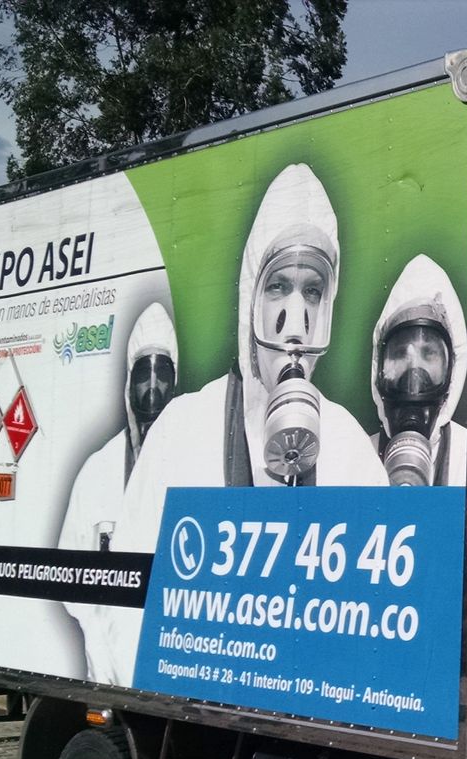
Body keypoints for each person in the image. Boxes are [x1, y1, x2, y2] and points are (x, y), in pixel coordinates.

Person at [89, 164, 386, 684]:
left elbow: (375, 612)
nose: (294, 321)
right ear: (251, 295)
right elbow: (129, 594)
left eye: (312, 292)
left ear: (329, 306)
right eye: (278, 287)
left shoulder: (349, 446)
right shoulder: (182, 428)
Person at [58, 302, 179, 681]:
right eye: (144, 373)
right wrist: (99, 636)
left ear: (175, 381)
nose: (153, 387)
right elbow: (69, 569)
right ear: (129, 380)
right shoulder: (99, 470)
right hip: (105, 664)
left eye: (163, 373)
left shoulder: (192, 460)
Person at [370, 254, 467, 487]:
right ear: (379, 368)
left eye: (429, 353)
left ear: (452, 371)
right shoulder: (357, 455)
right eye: (400, 353)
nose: (414, 370)